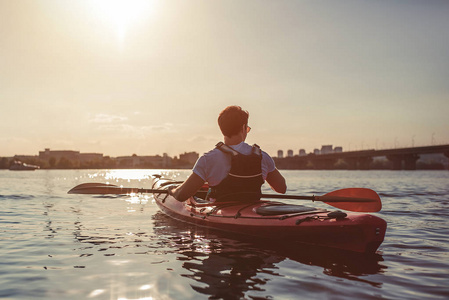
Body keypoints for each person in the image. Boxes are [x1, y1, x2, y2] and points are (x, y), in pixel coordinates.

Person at [168, 105, 287, 202]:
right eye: (247, 129)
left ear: (222, 129)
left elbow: (181, 195)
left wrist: (172, 190)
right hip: (251, 210)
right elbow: (281, 188)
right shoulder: (262, 156)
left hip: (220, 213)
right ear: (243, 128)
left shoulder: (208, 159)